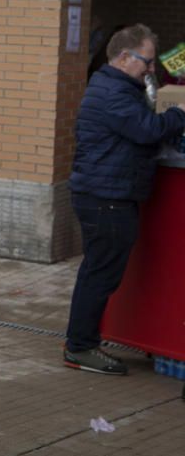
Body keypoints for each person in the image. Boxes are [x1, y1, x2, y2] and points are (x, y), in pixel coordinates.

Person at [65, 24, 185, 375]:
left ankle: (81, 342)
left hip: (105, 194)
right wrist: (179, 111)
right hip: (106, 198)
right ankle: (81, 347)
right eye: (146, 61)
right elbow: (147, 129)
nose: (150, 68)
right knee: (101, 274)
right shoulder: (114, 93)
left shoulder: (115, 86)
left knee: (97, 271)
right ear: (123, 57)